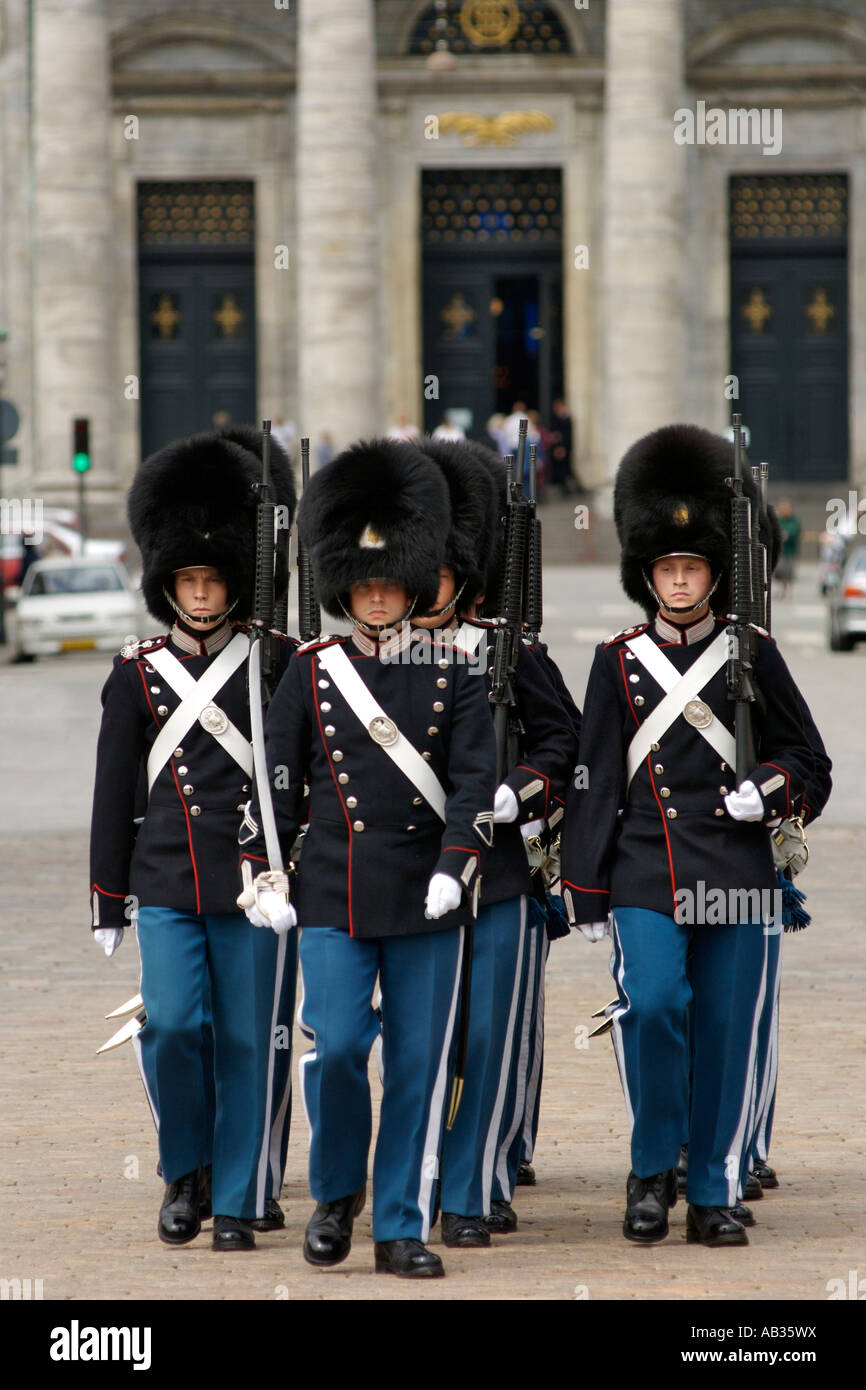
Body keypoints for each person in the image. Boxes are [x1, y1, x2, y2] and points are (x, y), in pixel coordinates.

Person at [239, 439, 497, 1278]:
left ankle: (399, 1226)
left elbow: (474, 781)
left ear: (413, 586)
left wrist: (454, 866)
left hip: (426, 896)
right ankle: (335, 1192)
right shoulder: (312, 672)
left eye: (390, 583)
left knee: (418, 1068)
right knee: (343, 1046)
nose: (378, 596)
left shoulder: (456, 671)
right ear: (344, 588)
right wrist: (265, 867)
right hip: (336, 894)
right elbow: (275, 777)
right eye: (364, 583)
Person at [562, 423, 819, 1248]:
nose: (679, 579)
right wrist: (587, 886)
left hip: (737, 869)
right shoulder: (617, 659)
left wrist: (770, 792)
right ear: (649, 574)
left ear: (713, 572)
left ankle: (710, 1188)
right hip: (646, 867)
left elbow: (806, 757)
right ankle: (649, 1172)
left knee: (723, 1028)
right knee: (658, 1005)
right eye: (667, 568)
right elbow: (594, 776)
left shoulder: (752, 651)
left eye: (693, 566)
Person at [90, 426, 296, 1251]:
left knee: (250, 1040)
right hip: (171, 881)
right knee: (175, 1027)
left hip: (257, 886)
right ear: (166, 583)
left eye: (216, 578)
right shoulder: (136, 673)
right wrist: (109, 898)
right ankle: (187, 1172)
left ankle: (242, 1197)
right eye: (189, 579)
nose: (204, 593)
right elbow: (112, 793)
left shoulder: (279, 661)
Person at [413, 439, 579, 1244]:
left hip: (502, 869)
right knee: (424, 1035)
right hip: (406, 874)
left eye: (439, 573)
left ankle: (477, 1180)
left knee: (492, 1031)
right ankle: (425, 1169)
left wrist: (527, 789)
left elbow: (565, 744)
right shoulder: (364, 660)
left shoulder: (509, 651)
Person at [775, 499, 802, 599]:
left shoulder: (794, 520)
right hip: (781, 551)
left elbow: (796, 531)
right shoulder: (779, 520)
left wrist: (788, 535)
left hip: (791, 551)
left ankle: (788, 590)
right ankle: (781, 589)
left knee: (789, 572)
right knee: (780, 571)